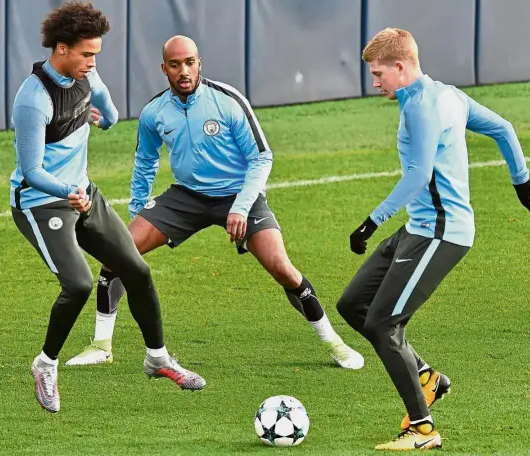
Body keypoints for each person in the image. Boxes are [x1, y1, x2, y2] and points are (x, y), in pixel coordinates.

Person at [65, 35, 364, 371]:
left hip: (239, 195)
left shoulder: (228, 101)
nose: (184, 71)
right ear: (164, 68)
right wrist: (136, 213)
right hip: (186, 196)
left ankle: (334, 343)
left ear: (199, 63)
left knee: (282, 268)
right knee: (117, 252)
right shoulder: (154, 112)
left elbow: (261, 157)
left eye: (190, 62)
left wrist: (241, 206)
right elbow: (145, 161)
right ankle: (101, 345)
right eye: (175, 65)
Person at [336, 27, 530, 450]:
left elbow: (418, 175)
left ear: (400, 66)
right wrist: (523, 182)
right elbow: (502, 127)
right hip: (419, 227)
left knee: (383, 322)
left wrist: (370, 223)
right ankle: (427, 378)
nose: (375, 83)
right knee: (353, 304)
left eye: (378, 75)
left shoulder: (422, 109)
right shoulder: (449, 95)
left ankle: (422, 428)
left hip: (442, 234)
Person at [10, 4, 206, 413]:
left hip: (82, 193)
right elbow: (30, 171)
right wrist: (69, 190)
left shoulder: (86, 75)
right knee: (79, 284)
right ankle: (45, 364)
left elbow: (112, 114)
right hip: (41, 200)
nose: (92, 62)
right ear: (61, 48)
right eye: (86, 54)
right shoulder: (33, 99)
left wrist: (101, 121)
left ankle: (157, 358)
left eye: (96, 54)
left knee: (136, 269)